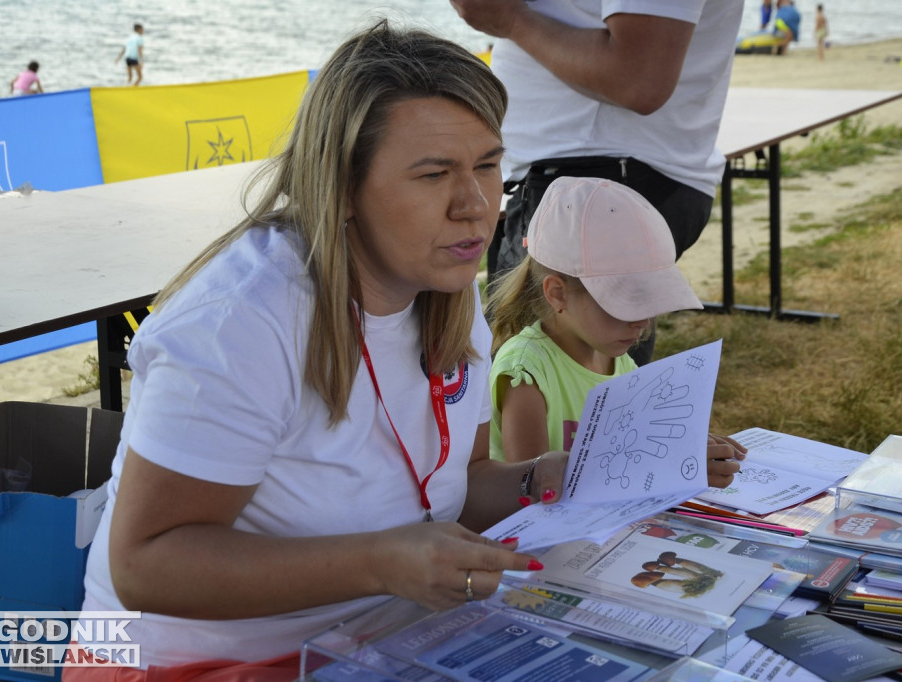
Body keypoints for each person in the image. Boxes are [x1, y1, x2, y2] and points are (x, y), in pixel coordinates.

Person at [70, 20, 566, 680]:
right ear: (343, 188)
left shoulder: (445, 288)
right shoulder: (243, 320)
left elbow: (458, 488)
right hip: (187, 665)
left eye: (487, 164)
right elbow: (144, 566)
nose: (476, 206)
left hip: (374, 643)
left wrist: (551, 477)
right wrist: (382, 562)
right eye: (432, 174)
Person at [450, 0, 745, 367]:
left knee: (542, 385)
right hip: (597, 178)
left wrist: (510, 18)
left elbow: (639, 78)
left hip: (594, 185)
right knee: (576, 391)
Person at [486, 177, 745, 490]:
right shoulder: (526, 372)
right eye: (624, 302)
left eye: (649, 301)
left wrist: (684, 446)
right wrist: (664, 465)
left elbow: (633, 450)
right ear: (557, 294)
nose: (642, 322)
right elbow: (532, 490)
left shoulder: (618, 362)